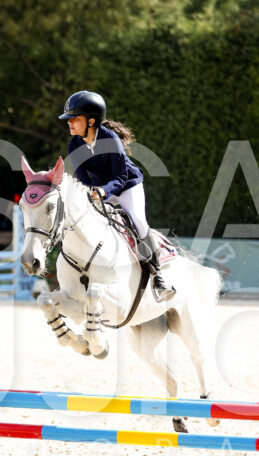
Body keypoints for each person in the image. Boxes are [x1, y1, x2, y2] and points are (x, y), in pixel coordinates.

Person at [59, 90, 174, 300]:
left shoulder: (109, 138)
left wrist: (103, 191)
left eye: (74, 119)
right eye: (69, 119)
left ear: (91, 121)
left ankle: (159, 277)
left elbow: (121, 177)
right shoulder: (74, 145)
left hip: (127, 186)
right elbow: (83, 179)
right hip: (100, 191)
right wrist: (90, 193)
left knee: (138, 221)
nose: (69, 123)